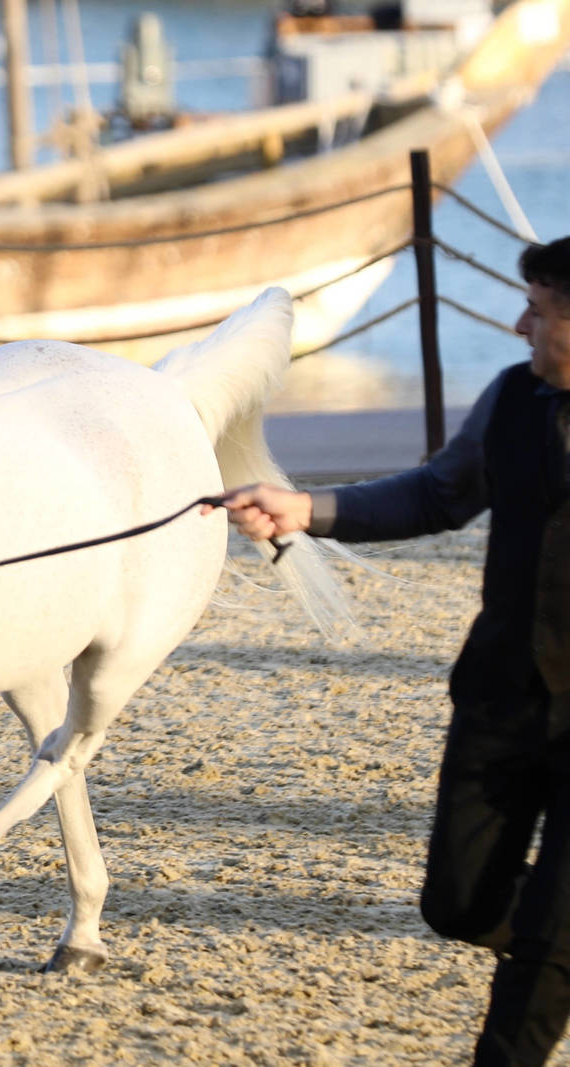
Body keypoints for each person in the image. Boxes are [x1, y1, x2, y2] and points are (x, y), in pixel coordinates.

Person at [214, 236, 570, 1067]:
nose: (520, 323)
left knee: (551, 936)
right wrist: (306, 508)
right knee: (457, 901)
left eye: (541, 309)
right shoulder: (512, 399)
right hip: (502, 695)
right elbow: (438, 493)